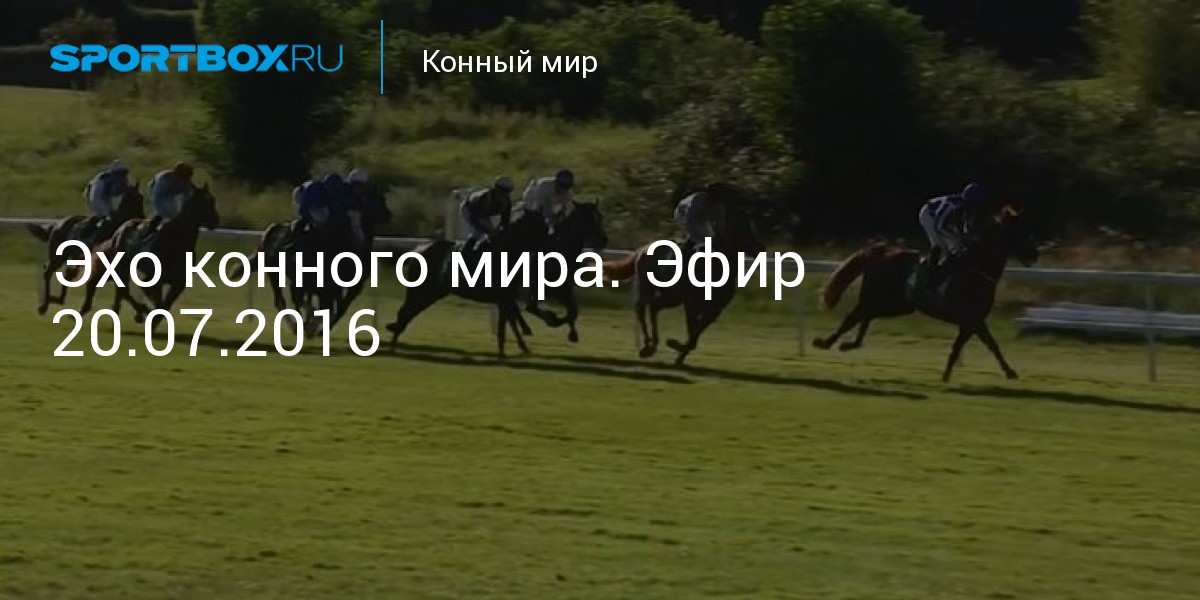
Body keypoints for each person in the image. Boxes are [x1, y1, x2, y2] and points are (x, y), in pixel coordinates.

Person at [916, 182, 989, 290]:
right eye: (975, 204)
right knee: (941, 246)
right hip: (928, 214)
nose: (976, 208)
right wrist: (962, 237)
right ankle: (929, 277)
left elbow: (965, 229)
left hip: (941, 220)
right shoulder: (951, 205)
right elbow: (939, 226)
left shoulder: (968, 206)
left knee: (958, 245)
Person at [80, 158, 132, 244]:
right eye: (122, 173)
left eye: (125, 173)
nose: (124, 176)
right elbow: (112, 195)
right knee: (108, 218)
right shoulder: (109, 179)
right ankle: (92, 240)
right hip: (97, 198)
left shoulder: (116, 178)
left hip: (104, 198)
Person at [460, 176, 515, 251]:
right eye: (501, 192)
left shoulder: (506, 202)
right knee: (478, 233)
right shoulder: (484, 198)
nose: (503, 195)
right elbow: (474, 219)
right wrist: (487, 231)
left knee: (494, 234)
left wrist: (499, 232)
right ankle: (464, 252)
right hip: (469, 209)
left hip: (483, 213)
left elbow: (505, 222)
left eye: (506, 192)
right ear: (495, 189)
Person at [674, 181, 730, 255]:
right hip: (683, 214)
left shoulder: (719, 206)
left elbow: (719, 225)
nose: (715, 198)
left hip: (700, 219)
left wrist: (718, 238)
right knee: (704, 236)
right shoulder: (697, 201)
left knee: (710, 235)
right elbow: (690, 221)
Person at [520, 169, 576, 234]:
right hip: (531, 198)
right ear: (556, 183)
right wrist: (550, 220)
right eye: (562, 186)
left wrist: (561, 217)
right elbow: (544, 207)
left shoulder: (567, 194)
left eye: (567, 187)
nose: (563, 189)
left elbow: (567, 209)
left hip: (547, 203)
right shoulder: (545, 186)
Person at [147, 162, 195, 230]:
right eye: (184, 177)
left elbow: (188, 196)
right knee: (171, 208)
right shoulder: (164, 179)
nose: (185, 180)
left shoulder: (187, 181)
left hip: (171, 196)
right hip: (158, 193)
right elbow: (158, 198)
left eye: (187, 177)